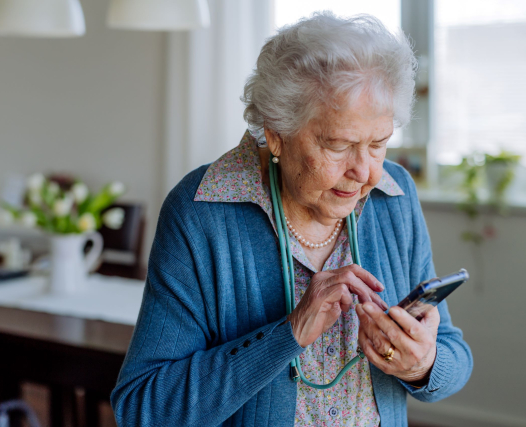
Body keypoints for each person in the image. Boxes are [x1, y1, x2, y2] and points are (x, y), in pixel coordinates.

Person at [111, 12, 472, 427]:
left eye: (378, 143)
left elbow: (454, 356)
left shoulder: (394, 195)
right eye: (338, 145)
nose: (365, 172)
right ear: (277, 133)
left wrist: (422, 365)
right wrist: (289, 333)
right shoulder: (203, 212)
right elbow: (143, 409)